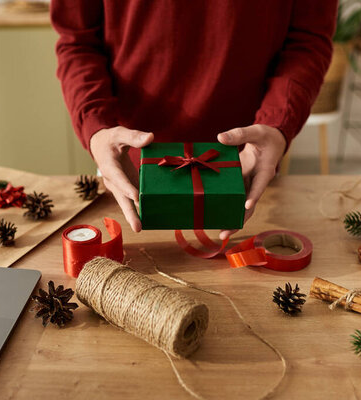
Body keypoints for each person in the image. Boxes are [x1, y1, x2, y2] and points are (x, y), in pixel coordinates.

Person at [51, 1, 337, 239]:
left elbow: (308, 37)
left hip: (250, 172)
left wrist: (278, 122)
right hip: (129, 180)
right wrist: (96, 127)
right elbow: (77, 40)